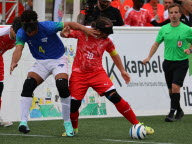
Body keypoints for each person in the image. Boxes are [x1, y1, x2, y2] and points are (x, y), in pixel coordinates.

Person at [60, 17, 154, 136]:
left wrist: (122, 70)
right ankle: (73, 129)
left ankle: (138, 124)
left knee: (114, 97)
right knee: (73, 106)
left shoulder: (107, 41)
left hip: (97, 74)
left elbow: (114, 55)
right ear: (97, 30)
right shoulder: (83, 32)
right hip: (79, 75)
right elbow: (65, 33)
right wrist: (64, 34)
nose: (107, 35)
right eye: (105, 32)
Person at [9, 10, 98, 136]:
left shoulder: (48, 26)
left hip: (58, 59)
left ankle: (67, 123)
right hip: (41, 62)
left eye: (32, 31)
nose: (30, 34)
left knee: (62, 86)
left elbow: (72, 24)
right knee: (28, 85)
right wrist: (14, 62)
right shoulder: (22, 33)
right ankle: (23, 122)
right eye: (28, 31)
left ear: (36, 24)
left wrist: (86, 30)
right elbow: (18, 49)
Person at [143, 3, 192, 122]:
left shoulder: (187, 29)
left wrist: (189, 50)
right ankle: (179, 110)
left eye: (176, 12)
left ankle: (171, 112)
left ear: (180, 14)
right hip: (167, 63)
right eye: (171, 13)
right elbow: (156, 44)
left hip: (181, 63)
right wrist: (149, 57)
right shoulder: (164, 29)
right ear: (168, 14)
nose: (174, 15)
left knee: (175, 87)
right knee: (171, 90)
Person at [0, 17, 21, 127]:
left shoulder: (21, 36)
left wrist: (14, 62)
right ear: (11, 28)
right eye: (16, 33)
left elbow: (18, 49)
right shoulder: (2, 32)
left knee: (0, 88)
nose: (18, 37)